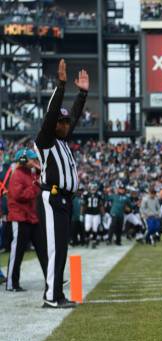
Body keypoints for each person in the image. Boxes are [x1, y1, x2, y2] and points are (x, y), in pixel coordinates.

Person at [34, 59, 88, 309]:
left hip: (65, 199)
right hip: (52, 197)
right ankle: (51, 297)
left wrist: (83, 94)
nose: (65, 126)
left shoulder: (64, 142)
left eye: (66, 123)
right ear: (53, 123)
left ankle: (57, 294)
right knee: (55, 250)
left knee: (62, 249)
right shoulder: (45, 140)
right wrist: (61, 85)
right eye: (61, 122)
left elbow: (74, 115)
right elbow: (52, 113)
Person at [5, 149, 45, 292]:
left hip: (31, 218)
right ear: (23, 160)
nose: (34, 161)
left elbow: (41, 185)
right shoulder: (17, 175)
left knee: (43, 250)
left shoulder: (30, 173)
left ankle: (52, 279)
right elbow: (19, 196)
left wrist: (40, 173)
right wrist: (35, 186)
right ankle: (11, 284)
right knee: (18, 253)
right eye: (32, 159)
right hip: (19, 217)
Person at [81, 182, 104, 248]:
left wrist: (103, 214)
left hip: (96, 214)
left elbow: (101, 205)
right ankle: (87, 239)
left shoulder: (99, 194)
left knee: (95, 228)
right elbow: (83, 205)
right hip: (88, 213)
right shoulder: (86, 194)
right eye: (92, 187)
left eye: (94, 187)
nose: (93, 189)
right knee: (87, 228)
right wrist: (81, 214)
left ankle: (94, 242)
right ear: (89, 187)